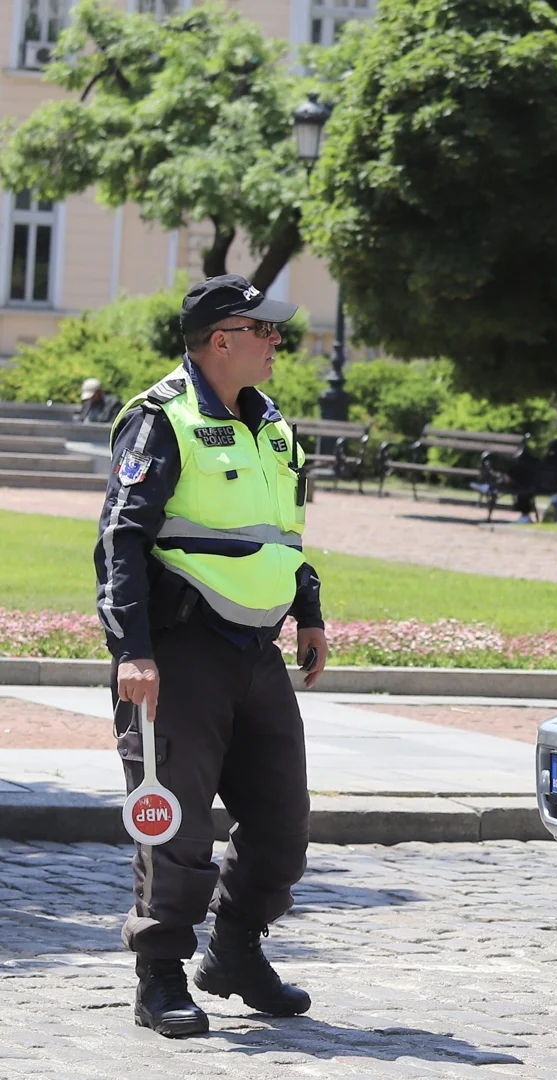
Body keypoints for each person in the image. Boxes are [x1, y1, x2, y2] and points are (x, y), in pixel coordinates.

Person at [94, 274, 325, 1038]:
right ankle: (159, 975)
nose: (276, 341)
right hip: (179, 652)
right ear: (222, 338)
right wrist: (132, 650)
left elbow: (282, 535)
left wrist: (310, 614)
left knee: (283, 824)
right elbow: (121, 539)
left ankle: (233, 952)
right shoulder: (161, 419)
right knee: (175, 825)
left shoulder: (272, 426)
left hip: (256, 653)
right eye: (264, 330)